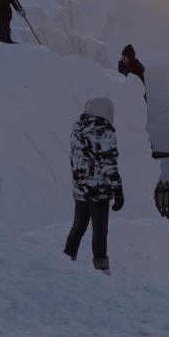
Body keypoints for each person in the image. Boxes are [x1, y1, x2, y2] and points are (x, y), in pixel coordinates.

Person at [63, 97, 124, 275]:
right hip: (99, 190)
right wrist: (118, 191)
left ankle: (66, 261)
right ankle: (101, 268)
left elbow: (74, 160)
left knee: (79, 225)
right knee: (99, 229)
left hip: (80, 188)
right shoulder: (104, 132)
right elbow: (109, 164)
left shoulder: (77, 130)